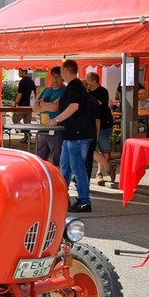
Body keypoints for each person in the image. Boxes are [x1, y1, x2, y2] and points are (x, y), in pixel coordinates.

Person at [46, 60, 95, 213]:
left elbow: (74, 106)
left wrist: (56, 119)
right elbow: (66, 105)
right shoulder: (74, 87)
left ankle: (84, 201)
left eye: (61, 70)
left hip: (78, 134)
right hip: (72, 134)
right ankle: (62, 197)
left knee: (77, 167)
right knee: (65, 167)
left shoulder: (74, 86)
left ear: (67, 70)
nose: (60, 74)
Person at [85, 72, 114, 184]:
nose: (86, 81)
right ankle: (104, 169)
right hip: (90, 124)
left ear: (93, 80)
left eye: (87, 79)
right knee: (91, 148)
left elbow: (100, 105)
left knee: (104, 147)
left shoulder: (102, 91)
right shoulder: (86, 91)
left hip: (104, 124)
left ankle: (100, 172)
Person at [33, 67, 65, 166]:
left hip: (58, 130)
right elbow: (35, 108)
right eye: (53, 76)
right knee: (39, 161)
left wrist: (42, 103)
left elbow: (55, 108)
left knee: (56, 161)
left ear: (62, 77)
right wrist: (47, 106)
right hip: (43, 129)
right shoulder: (46, 90)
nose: (55, 79)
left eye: (57, 77)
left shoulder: (65, 91)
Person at [12, 68, 36, 144]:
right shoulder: (32, 81)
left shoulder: (22, 81)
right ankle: (26, 137)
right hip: (30, 105)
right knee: (27, 122)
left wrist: (15, 102)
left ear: (24, 72)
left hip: (22, 105)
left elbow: (20, 93)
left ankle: (26, 133)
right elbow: (35, 93)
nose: (18, 73)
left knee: (15, 119)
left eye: (19, 72)